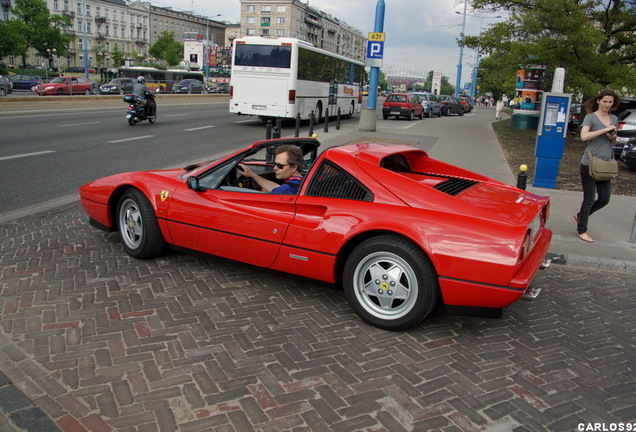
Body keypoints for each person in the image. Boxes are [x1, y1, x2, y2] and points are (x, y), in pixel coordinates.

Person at [574, 88, 619, 243]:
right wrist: (604, 129)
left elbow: (613, 141)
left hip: (605, 164)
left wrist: (611, 136)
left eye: (610, 102)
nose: (607, 104)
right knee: (589, 198)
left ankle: (581, 216)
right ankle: (582, 230)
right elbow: (584, 136)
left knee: (604, 199)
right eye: (605, 101)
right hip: (590, 163)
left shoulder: (614, 118)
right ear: (598, 101)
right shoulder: (590, 118)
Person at [238, 145, 304, 194]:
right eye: (274, 164)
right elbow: (276, 187)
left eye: (280, 166)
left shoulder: (285, 190)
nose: (275, 168)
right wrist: (252, 175)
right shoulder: (300, 182)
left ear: (294, 167)